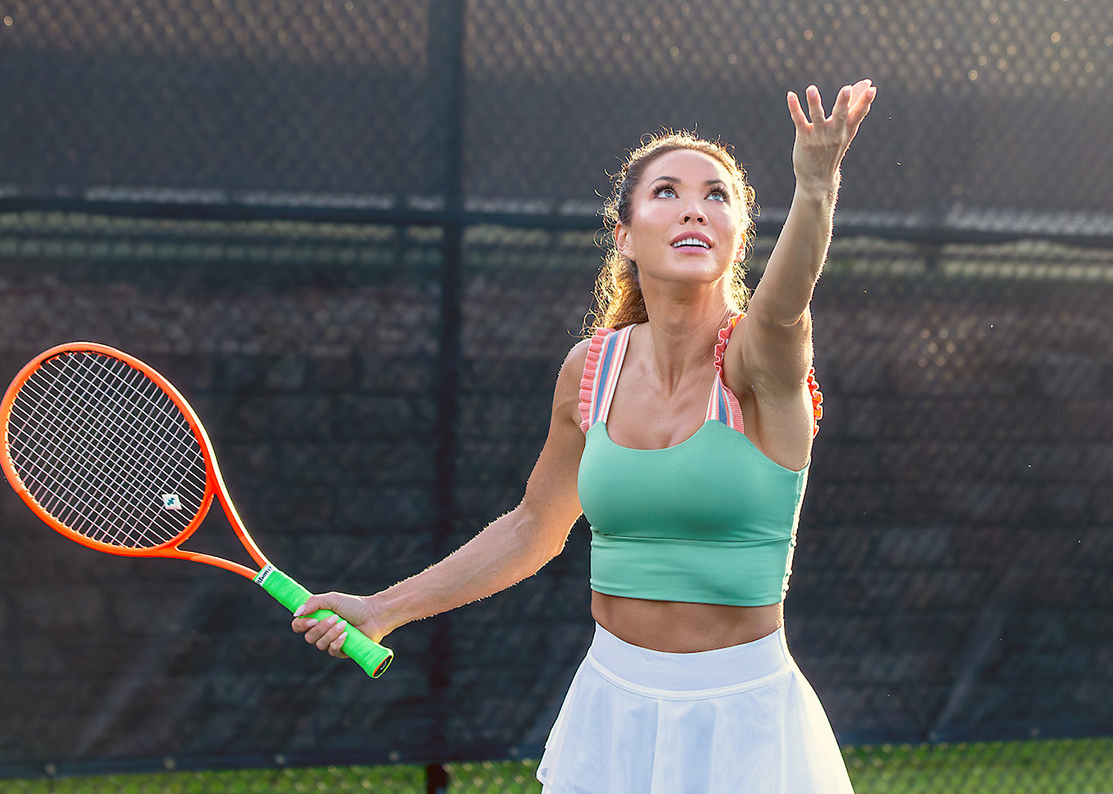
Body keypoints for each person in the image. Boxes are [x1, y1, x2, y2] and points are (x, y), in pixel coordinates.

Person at [292, 80, 878, 794]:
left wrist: (815, 187)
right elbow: (532, 529)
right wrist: (381, 609)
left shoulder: (759, 361)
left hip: (745, 716)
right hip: (609, 708)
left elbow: (784, 307)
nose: (694, 207)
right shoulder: (591, 370)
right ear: (625, 235)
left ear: (737, 237)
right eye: (667, 191)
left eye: (717, 196)